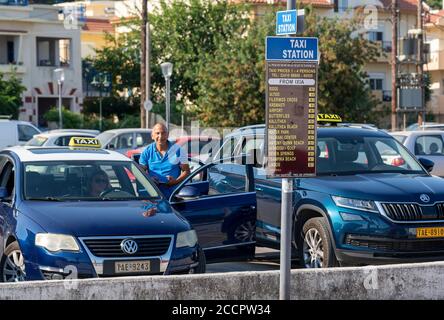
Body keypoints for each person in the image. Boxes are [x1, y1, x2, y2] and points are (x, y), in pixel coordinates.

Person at [139, 123, 190, 198]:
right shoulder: (146, 151)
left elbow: (186, 171)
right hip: (153, 195)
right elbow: (140, 171)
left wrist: (175, 181)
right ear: (152, 136)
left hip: (173, 195)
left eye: (163, 133)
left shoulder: (178, 150)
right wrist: (149, 179)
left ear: (167, 135)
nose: (160, 136)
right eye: (157, 133)